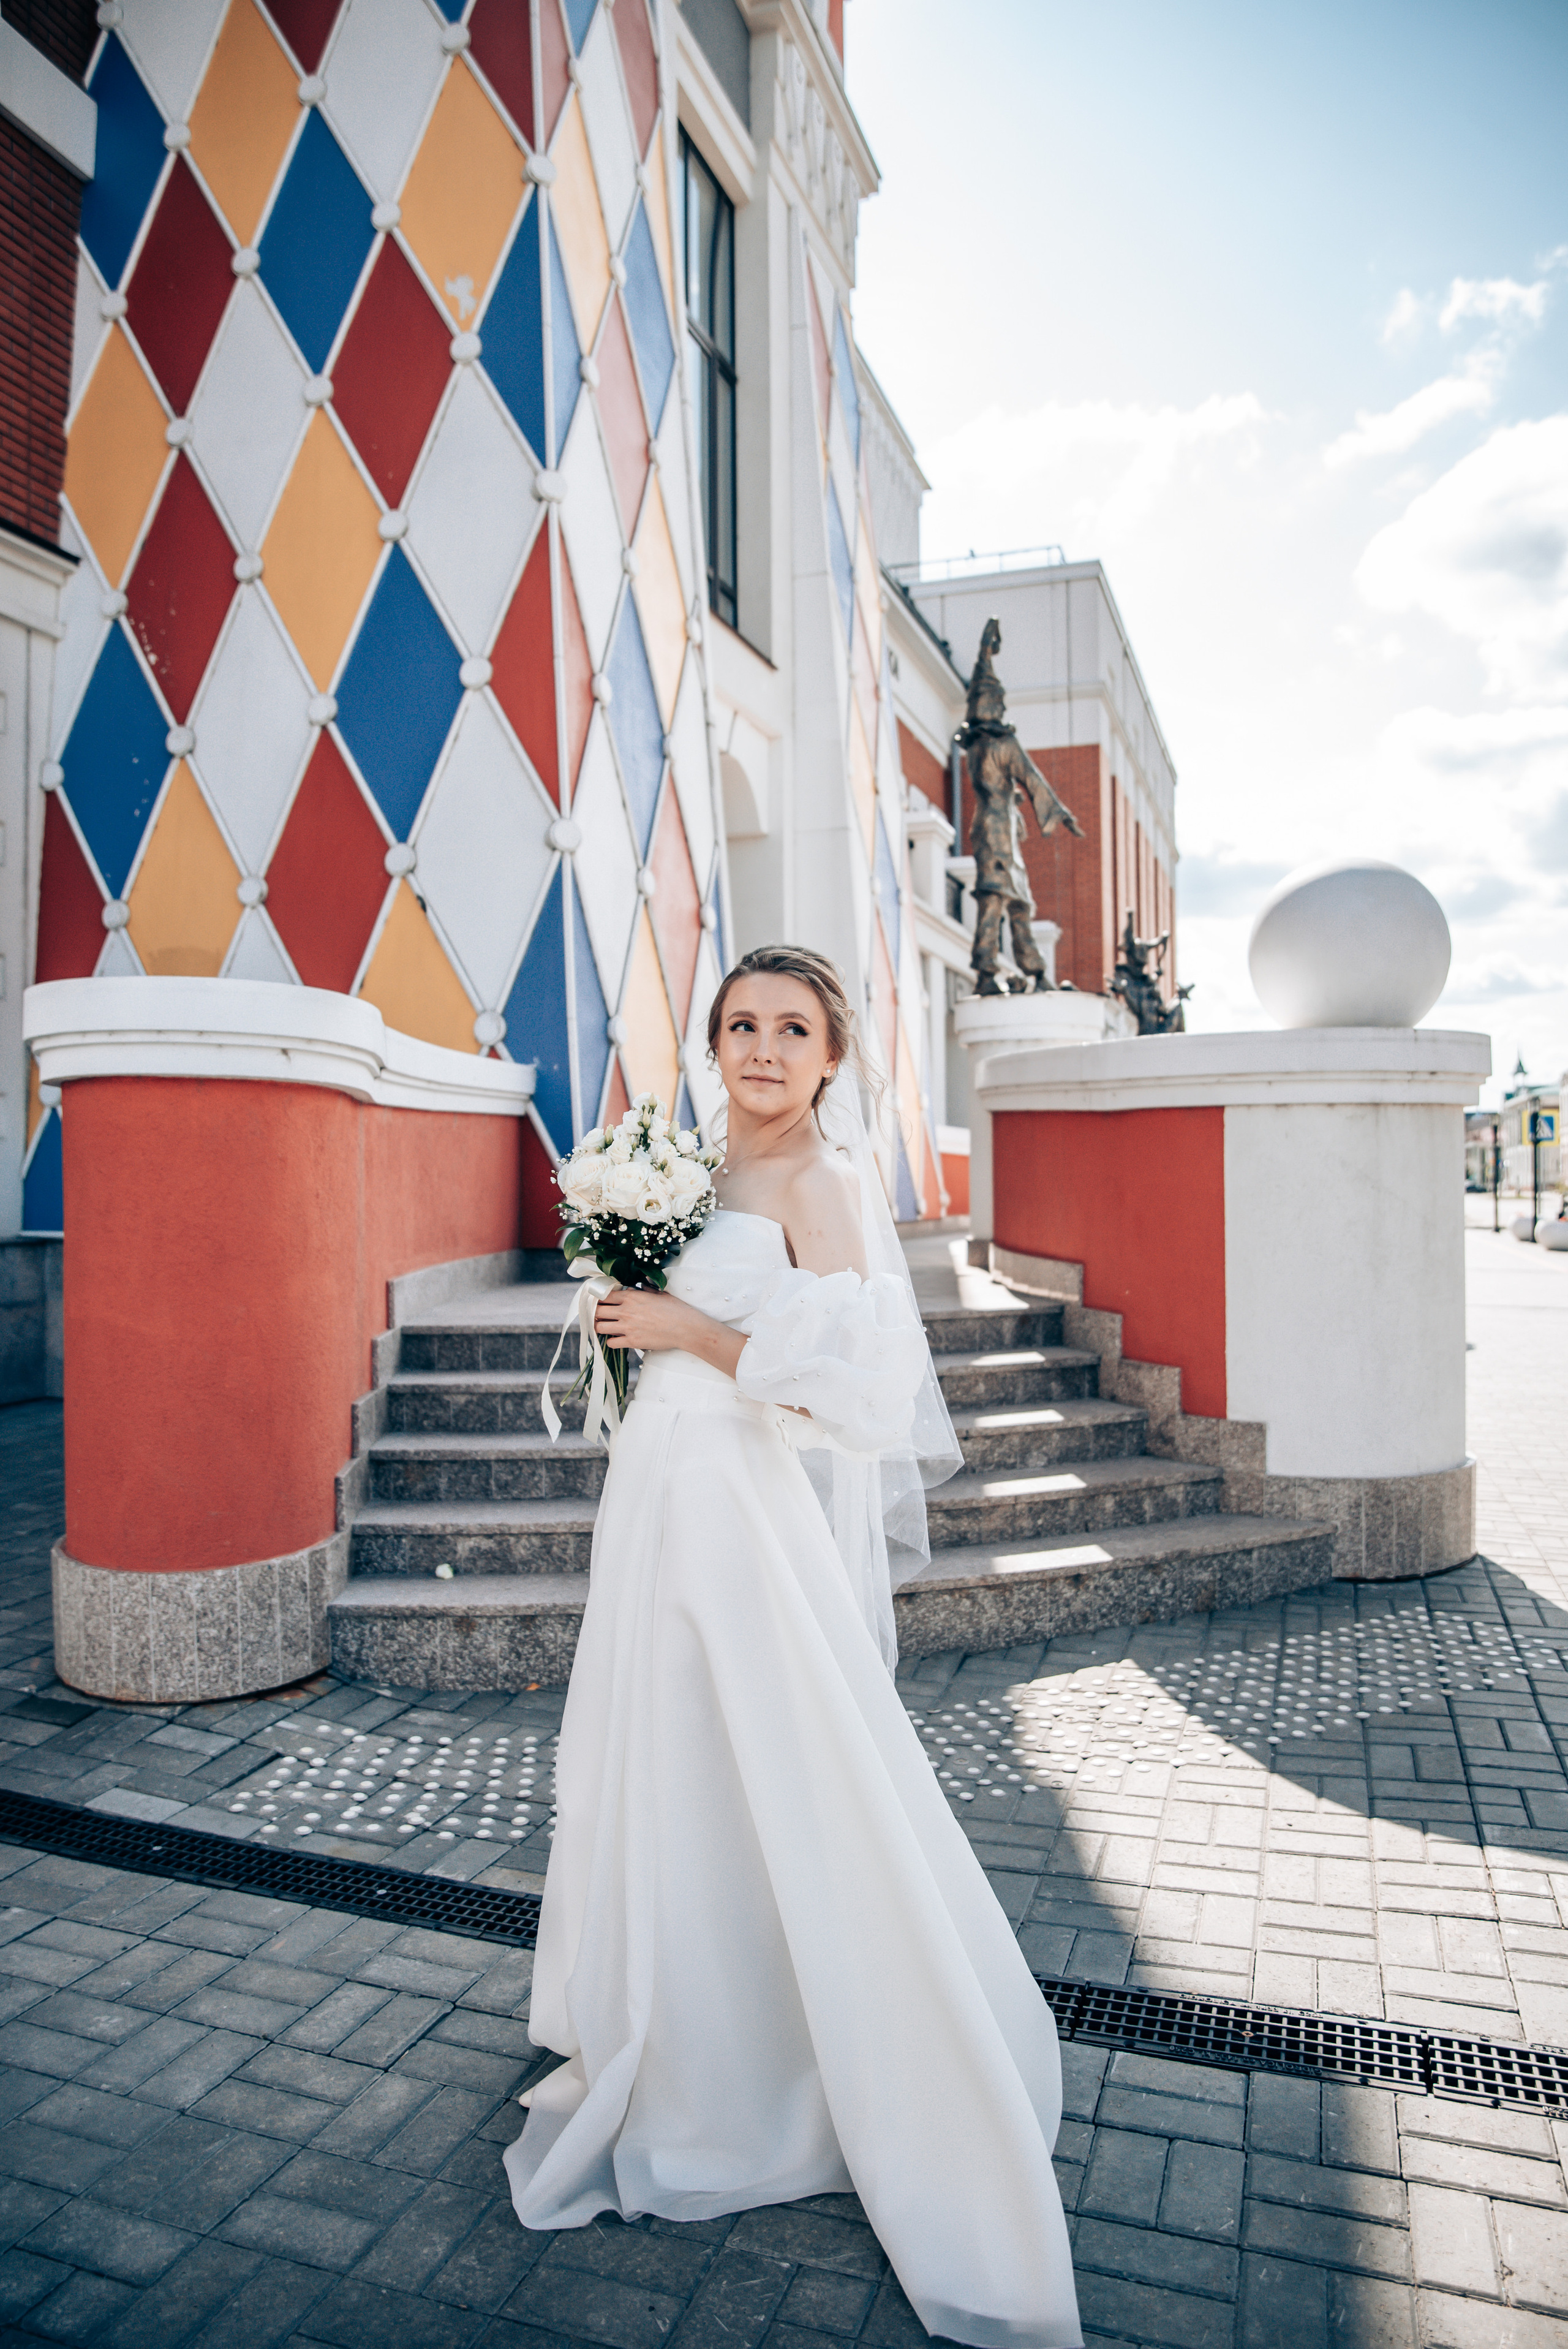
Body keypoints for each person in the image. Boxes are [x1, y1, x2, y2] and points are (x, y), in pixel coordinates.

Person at [505, 944, 1083, 2349]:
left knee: (775, 1765)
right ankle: (687, 2017)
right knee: (666, 1763)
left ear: (832, 1056)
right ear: (714, 1041)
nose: (762, 1047)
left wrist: (688, 1328)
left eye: (792, 1028)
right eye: (741, 1023)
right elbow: (674, 1334)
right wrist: (628, 1322)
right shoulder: (686, 1168)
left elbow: (864, 1387)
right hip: (660, 1489)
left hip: (737, 1512)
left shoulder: (823, 1186)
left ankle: (813, 2059)